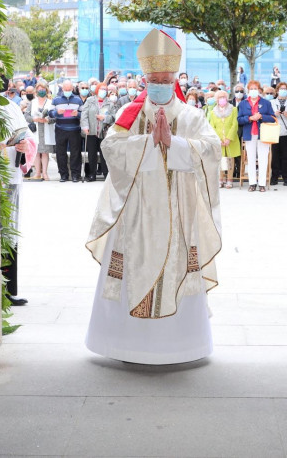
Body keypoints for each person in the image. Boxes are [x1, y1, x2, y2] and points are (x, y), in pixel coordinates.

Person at [85, 28, 221, 364]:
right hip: (135, 212)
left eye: (165, 77)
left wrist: (173, 144)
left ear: (174, 78)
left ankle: (180, 345)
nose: (159, 82)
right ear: (145, 79)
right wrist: (148, 143)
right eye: (153, 77)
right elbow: (111, 149)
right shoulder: (129, 115)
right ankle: (125, 344)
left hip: (178, 211)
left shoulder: (191, 116)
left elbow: (213, 151)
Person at [0, 96, 38, 306]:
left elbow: (29, 136)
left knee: (9, 229)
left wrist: (24, 145)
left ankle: (7, 289)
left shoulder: (11, 105)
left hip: (12, 175)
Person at [237, 80, 276, 192]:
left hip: (263, 134)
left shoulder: (266, 103)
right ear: (248, 90)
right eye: (251, 88)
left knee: (263, 159)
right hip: (249, 134)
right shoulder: (243, 103)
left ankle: (262, 183)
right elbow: (239, 120)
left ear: (259, 90)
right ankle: (252, 183)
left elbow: (273, 118)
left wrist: (261, 116)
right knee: (251, 159)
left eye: (255, 88)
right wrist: (249, 118)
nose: (253, 90)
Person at [50, 79, 83, 182]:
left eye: (69, 89)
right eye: (66, 89)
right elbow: (50, 113)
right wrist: (57, 112)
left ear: (72, 88)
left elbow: (83, 114)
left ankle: (75, 175)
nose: (67, 90)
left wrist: (77, 114)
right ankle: (63, 175)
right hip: (60, 129)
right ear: (63, 89)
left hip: (74, 129)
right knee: (60, 153)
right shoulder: (56, 99)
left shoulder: (78, 100)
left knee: (76, 153)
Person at [208, 90, 240, 188]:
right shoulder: (213, 112)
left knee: (230, 159)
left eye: (224, 97)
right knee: (220, 159)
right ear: (216, 100)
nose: (222, 99)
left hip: (231, 139)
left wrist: (229, 138)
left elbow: (235, 124)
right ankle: (220, 179)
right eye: (220, 97)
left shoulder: (233, 109)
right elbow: (212, 126)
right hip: (219, 140)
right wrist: (218, 139)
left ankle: (230, 180)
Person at [80, 85, 110, 182]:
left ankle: (106, 174)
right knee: (91, 154)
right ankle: (92, 174)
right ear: (97, 90)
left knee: (104, 154)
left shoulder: (110, 103)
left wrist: (105, 118)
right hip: (91, 131)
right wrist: (85, 126)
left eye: (105, 90)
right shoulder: (90, 100)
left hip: (104, 132)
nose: (103, 91)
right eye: (102, 89)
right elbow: (84, 114)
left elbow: (114, 116)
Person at [27, 81, 54, 180]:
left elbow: (55, 117)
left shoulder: (51, 102)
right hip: (36, 130)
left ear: (46, 90)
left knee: (45, 152)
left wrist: (48, 120)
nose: (41, 90)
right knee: (36, 152)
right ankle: (37, 173)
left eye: (43, 89)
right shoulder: (32, 102)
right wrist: (34, 119)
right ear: (36, 90)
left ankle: (45, 173)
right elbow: (26, 116)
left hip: (46, 128)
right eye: (39, 89)